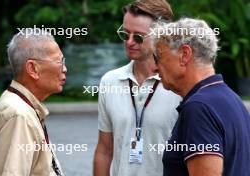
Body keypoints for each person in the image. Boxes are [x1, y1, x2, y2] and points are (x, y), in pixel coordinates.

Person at [152, 18, 250, 176]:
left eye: (159, 57)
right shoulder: (232, 99)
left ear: (184, 55)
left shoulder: (198, 107)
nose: (154, 67)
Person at [93, 0, 181, 175]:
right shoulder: (110, 81)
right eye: (125, 34)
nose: (129, 42)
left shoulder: (180, 84)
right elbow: (104, 150)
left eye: (139, 37)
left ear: (161, 36)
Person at [0, 28, 67, 176]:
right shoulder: (19, 115)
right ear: (33, 69)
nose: (65, 69)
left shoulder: (22, 107)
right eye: (59, 62)